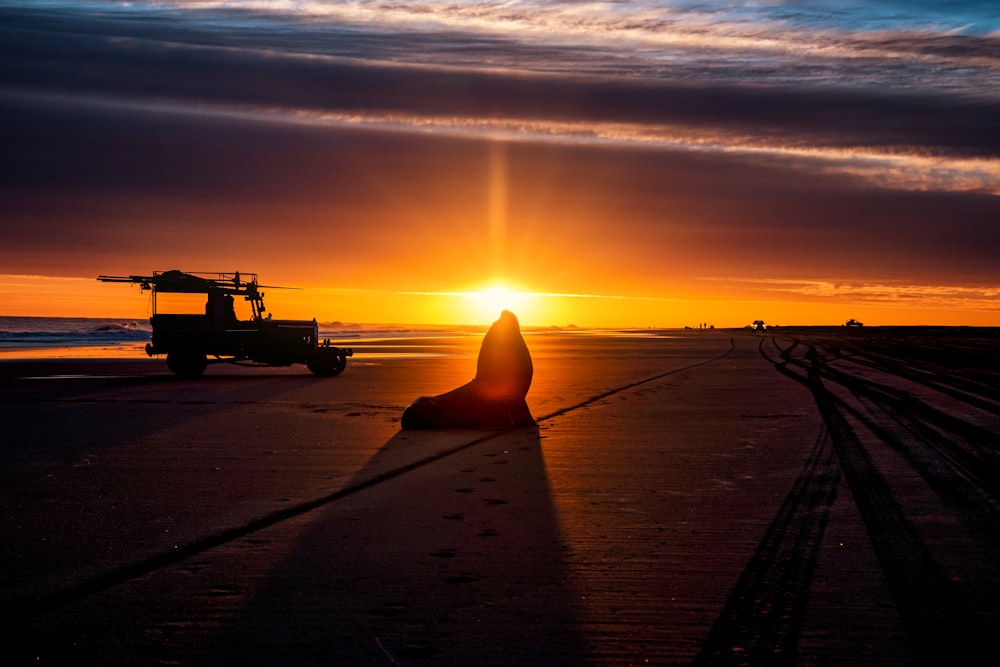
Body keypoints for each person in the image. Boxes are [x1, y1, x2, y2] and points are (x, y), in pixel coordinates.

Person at [401, 310, 534, 429]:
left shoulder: (504, 342)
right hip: (424, 410)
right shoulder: (508, 343)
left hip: (426, 407)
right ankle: (422, 415)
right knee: (426, 408)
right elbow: (511, 393)